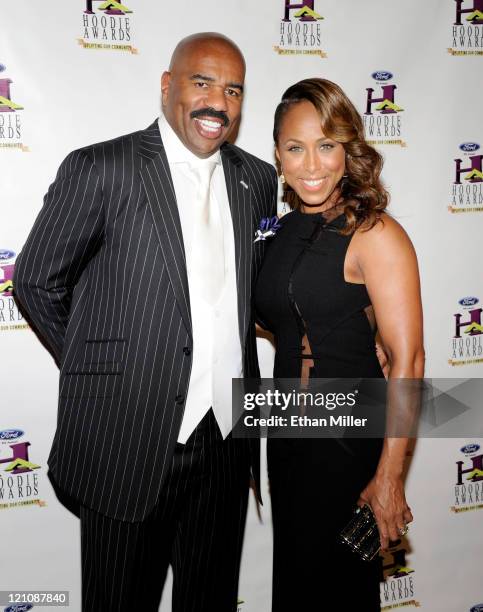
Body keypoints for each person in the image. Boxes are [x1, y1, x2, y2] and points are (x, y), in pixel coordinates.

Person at [13, 33, 277, 612]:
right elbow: (34, 280)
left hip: (226, 447)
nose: (218, 102)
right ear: (167, 86)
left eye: (232, 90)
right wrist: (99, 368)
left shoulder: (258, 179)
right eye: (201, 82)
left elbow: (245, 297)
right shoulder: (103, 167)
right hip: (126, 443)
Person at [254, 78, 424, 610]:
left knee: (339, 592)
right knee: (298, 587)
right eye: (295, 147)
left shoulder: (375, 233)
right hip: (287, 431)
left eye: (326, 146)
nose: (311, 165)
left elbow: (408, 358)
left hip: (345, 441)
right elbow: (282, 317)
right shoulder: (279, 232)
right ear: (277, 153)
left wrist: (391, 476)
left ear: (347, 152)